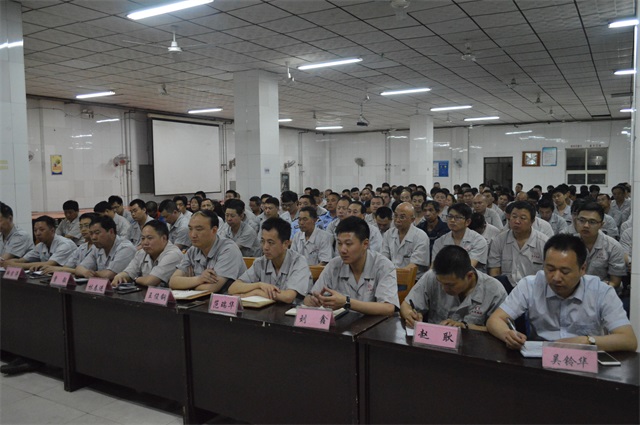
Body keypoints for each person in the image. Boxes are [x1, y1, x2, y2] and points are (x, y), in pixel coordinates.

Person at [487, 234, 637, 352]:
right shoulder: (530, 285)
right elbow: (495, 320)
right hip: (541, 359)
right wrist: (507, 334)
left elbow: (628, 340)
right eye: (550, 269)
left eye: (565, 271)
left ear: (582, 269)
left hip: (585, 361)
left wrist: (585, 341)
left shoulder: (601, 291)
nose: (556, 277)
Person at [303, 217, 399, 316]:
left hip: (374, 323)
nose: (342, 250)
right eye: (339, 243)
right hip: (341, 323)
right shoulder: (334, 265)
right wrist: (312, 300)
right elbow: (310, 297)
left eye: (348, 244)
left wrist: (347, 302)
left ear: (365, 244)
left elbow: (388, 308)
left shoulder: (383, 265)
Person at [400, 245, 507, 330]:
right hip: (434, 342)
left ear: (469, 276)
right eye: (441, 283)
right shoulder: (431, 276)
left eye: (450, 285)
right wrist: (410, 315)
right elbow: (406, 305)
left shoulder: (494, 290)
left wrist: (466, 327)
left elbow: (502, 330)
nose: (444, 288)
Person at [228, 218, 312, 303]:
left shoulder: (298, 262)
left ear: (285, 244)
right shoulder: (260, 262)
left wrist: (257, 292)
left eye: (270, 242)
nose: (265, 247)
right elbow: (232, 288)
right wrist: (258, 285)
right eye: (263, 241)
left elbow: (288, 297)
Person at [169, 210, 246, 292]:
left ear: (214, 230)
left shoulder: (228, 249)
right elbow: (173, 282)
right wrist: (199, 279)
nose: (192, 235)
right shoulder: (193, 250)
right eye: (190, 229)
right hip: (197, 298)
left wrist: (187, 284)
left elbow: (211, 288)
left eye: (199, 229)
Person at [488, 201, 549, 292]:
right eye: (514, 217)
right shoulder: (499, 240)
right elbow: (494, 270)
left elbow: (548, 273)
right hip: (506, 288)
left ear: (532, 221)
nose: (516, 221)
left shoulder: (544, 242)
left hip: (534, 288)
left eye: (523, 218)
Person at [112, 220, 183, 288]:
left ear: (164, 238)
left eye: (150, 238)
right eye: (143, 238)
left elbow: (150, 281)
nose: (145, 243)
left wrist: (135, 279)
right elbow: (129, 272)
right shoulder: (142, 252)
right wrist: (120, 276)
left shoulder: (173, 254)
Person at [573, 202, 626, 287]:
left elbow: (615, 282)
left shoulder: (613, 247)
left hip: (603, 290)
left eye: (592, 222)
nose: (586, 225)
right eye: (582, 220)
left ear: (601, 225)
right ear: (576, 221)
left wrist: (591, 289)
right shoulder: (569, 243)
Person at [4, 215, 76, 271]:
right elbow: (22, 260)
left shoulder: (64, 244)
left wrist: (15, 265)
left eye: (42, 230)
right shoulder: (40, 245)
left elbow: (49, 264)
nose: (37, 233)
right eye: (35, 230)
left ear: (52, 230)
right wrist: (9, 262)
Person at [76, 216, 136, 280]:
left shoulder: (126, 248)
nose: (93, 237)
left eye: (97, 233)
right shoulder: (97, 247)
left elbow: (109, 275)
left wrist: (91, 273)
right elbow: (78, 269)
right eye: (91, 233)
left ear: (111, 232)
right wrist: (85, 272)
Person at [381, 202, 430, 279]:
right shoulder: (388, 234)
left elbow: (414, 265)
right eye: (395, 216)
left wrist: (394, 274)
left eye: (402, 217)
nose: (397, 220)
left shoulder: (421, 236)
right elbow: (384, 259)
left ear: (412, 219)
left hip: (413, 279)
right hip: (391, 277)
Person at [431, 203, 488, 269]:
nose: (452, 220)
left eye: (457, 217)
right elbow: (434, 268)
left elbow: (468, 267)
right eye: (450, 216)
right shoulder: (439, 242)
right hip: (443, 275)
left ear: (468, 222)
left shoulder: (478, 241)